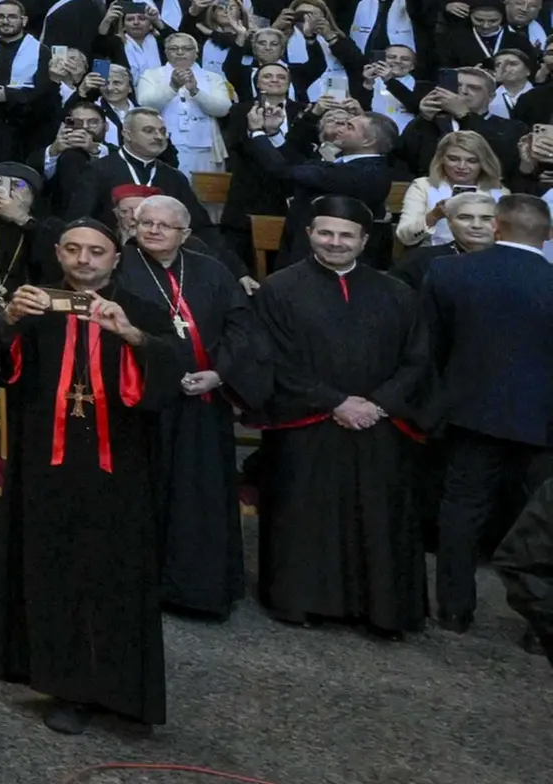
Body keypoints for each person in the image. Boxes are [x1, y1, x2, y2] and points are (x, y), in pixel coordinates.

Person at [0, 218, 170, 733]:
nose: (84, 259)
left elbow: (168, 376)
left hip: (119, 471)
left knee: (115, 577)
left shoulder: (143, 310)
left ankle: (119, 690)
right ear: (59, 253)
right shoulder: (35, 305)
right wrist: (9, 321)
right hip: (47, 467)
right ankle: (65, 688)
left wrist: (130, 335)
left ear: (116, 259)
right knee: (53, 573)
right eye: (73, 249)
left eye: (96, 251)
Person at [228, 198, 436, 635]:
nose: (335, 242)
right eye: (325, 233)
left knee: (379, 517)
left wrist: (378, 403)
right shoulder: (278, 289)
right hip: (306, 422)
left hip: (380, 423)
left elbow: (418, 359)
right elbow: (273, 358)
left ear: (364, 240)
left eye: (346, 235)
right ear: (309, 234)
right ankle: (302, 603)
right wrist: (335, 402)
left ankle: (382, 612)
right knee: (307, 518)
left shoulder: (397, 292)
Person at [419, 193, 553, 632]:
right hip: (544, 419)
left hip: (470, 410)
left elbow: (430, 347)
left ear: (496, 226)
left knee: (462, 510)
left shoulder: (449, 271)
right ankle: (540, 623)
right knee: (543, 521)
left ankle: (455, 610)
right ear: (549, 233)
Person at [116, 192, 250, 617]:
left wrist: (220, 373)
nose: (153, 231)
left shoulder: (212, 270)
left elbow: (241, 328)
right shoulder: (118, 269)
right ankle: (138, 585)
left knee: (198, 494)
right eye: (146, 223)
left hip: (202, 403)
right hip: (141, 402)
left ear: (186, 233)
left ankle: (195, 589)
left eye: (164, 225)